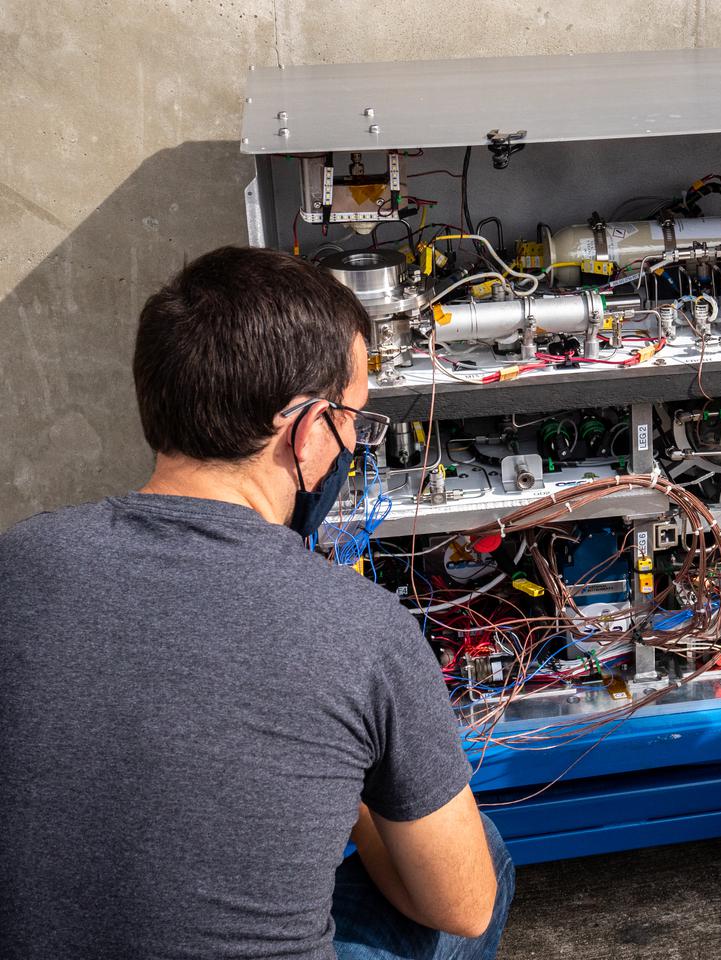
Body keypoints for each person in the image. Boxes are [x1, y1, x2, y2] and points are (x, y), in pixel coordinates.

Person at [0, 247, 513, 960]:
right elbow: (462, 906)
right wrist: (359, 778)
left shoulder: (18, 560)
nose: (351, 446)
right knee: (483, 858)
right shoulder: (362, 629)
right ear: (307, 431)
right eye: (353, 422)